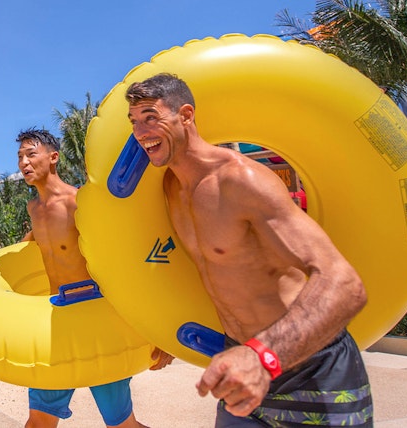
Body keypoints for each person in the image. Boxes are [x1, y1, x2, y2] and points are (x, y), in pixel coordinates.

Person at [124, 73, 373, 427]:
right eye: (134, 122)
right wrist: (166, 328)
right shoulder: (169, 189)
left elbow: (346, 285)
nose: (140, 132)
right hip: (241, 364)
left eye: (151, 117)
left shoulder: (240, 180)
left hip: (312, 367)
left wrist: (263, 357)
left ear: (186, 115)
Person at [16, 128, 173, 428]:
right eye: (20, 157)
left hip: (96, 321)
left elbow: (125, 262)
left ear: (53, 157)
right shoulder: (33, 208)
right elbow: (38, 241)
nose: (24, 162)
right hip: (58, 323)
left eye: (31, 154)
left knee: (122, 425)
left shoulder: (79, 202)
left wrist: (159, 329)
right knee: (38, 422)